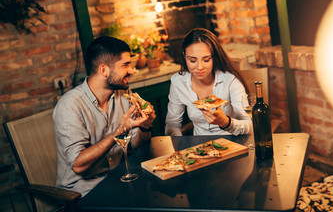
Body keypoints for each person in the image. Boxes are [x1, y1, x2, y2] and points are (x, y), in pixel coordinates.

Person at [53, 36, 155, 196]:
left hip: (119, 180)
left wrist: (145, 125)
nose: (131, 70)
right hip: (82, 193)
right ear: (104, 70)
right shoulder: (70, 105)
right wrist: (119, 131)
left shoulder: (124, 95)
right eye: (125, 65)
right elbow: (78, 166)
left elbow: (135, 145)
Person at [165, 28, 252, 136]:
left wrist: (226, 122)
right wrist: (179, 146)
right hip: (199, 148)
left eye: (206, 60)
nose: (199, 67)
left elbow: (250, 125)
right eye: (192, 60)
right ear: (184, 55)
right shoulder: (178, 82)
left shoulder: (230, 82)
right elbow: (172, 123)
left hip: (233, 144)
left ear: (214, 57)